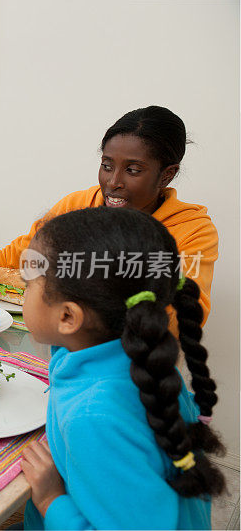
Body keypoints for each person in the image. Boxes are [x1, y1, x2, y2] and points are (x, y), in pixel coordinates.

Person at [0, 106, 218, 322]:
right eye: (107, 165)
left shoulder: (192, 230)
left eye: (133, 170)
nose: (113, 182)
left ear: (167, 175)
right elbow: (16, 257)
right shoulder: (77, 204)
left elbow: (187, 314)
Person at [18, 207, 224, 529]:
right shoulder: (142, 358)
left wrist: (50, 500)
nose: (22, 292)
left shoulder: (94, 417)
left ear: (68, 317)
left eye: (27, 285)